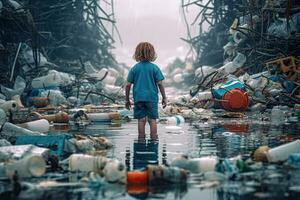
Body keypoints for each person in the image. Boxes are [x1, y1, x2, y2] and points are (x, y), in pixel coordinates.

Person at [125, 42, 167, 139]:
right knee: (152, 119)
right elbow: (160, 83)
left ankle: (141, 140)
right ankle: (154, 140)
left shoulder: (134, 68)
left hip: (138, 98)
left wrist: (127, 100)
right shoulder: (154, 68)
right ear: (151, 53)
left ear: (137, 53)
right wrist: (164, 97)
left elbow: (127, 85)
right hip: (152, 98)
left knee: (141, 120)